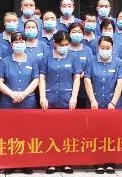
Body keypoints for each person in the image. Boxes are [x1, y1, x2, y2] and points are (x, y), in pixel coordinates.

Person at [39, 31, 81, 175]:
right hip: (50, 98)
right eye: (61, 45)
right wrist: (42, 96)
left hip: (67, 98)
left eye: (67, 45)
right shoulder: (46, 57)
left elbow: (76, 78)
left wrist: (74, 97)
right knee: (50, 131)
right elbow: (42, 77)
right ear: (55, 44)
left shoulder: (73, 57)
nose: (64, 47)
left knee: (67, 131)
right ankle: (51, 162)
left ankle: (66, 162)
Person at [84, 36, 122, 174]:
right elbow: (87, 80)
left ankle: (110, 161)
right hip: (95, 103)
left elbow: (120, 82)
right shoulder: (91, 60)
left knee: (112, 133)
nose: (105, 50)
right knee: (96, 133)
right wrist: (92, 100)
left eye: (108, 48)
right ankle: (98, 161)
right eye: (102, 47)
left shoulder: (118, 62)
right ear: (98, 47)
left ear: (112, 48)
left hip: (113, 104)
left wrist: (113, 102)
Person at [0, 33, 40, 109]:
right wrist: (12, 94)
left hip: (28, 102)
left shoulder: (32, 61)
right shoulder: (4, 61)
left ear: (25, 43)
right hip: (8, 102)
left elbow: (36, 80)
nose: (19, 44)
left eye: (22, 42)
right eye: (16, 42)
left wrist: (24, 94)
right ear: (11, 44)